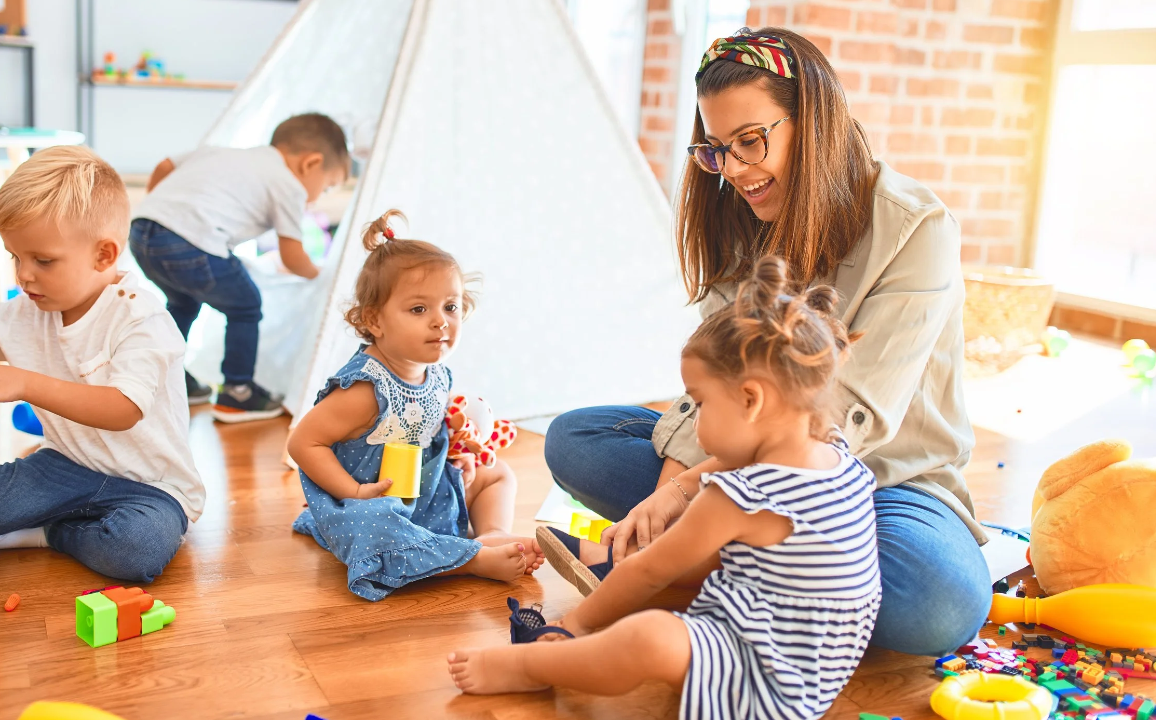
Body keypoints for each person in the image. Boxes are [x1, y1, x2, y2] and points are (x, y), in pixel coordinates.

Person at [542, 27, 990, 656]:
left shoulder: (918, 229)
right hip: (743, 470)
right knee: (575, 439)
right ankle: (732, 574)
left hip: (884, 485)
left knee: (936, 604)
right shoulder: (741, 216)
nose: (736, 171)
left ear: (814, 119)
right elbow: (715, 386)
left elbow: (838, 424)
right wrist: (673, 486)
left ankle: (688, 571)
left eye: (751, 142)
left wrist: (682, 496)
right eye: (718, 149)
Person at [451, 258, 880, 720]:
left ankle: (536, 666)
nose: (695, 418)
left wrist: (573, 624)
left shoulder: (742, 495)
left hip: (763, 678)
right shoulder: (839, 458)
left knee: (648, 637)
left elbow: (647, 572)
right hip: (815, 678)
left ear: (751, 400)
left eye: (699, 404)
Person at [0, 146, 204, 582]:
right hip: (63, 465)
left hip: (151, 486)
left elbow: (122, 409)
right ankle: (59, 520)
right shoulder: (23, 312)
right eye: (16, 257)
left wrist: (24, 384)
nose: (24, 275)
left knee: (135, 551)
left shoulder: (141, 318)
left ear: (104, 256)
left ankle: (54, 532)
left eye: (43, 261)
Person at [286, 210, 544, 601]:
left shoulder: (436, 374)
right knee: (376, 526)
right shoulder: (365, 389)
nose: (441, 322)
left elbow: (434, 428)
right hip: (373, 501)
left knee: (498, 474)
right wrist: (354, 491)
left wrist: (463, 457)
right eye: (419, 310)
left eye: (451, 307)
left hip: (427, 490)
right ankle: (471, 558)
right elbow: (303, 444)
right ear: (374, 320)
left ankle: (490, 533)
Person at [130, 112, 349, 422]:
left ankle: (161, 377)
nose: (319, 197)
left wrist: (160, 209)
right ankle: (238, 391)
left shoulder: (223, 152)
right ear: (310, 164)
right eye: (327, 187)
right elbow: (292, 255)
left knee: (183, 303)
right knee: (246, 305)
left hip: (143, 232)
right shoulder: (290, 184)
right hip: (191, 242)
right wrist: (325, 277)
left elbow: (165, 165)